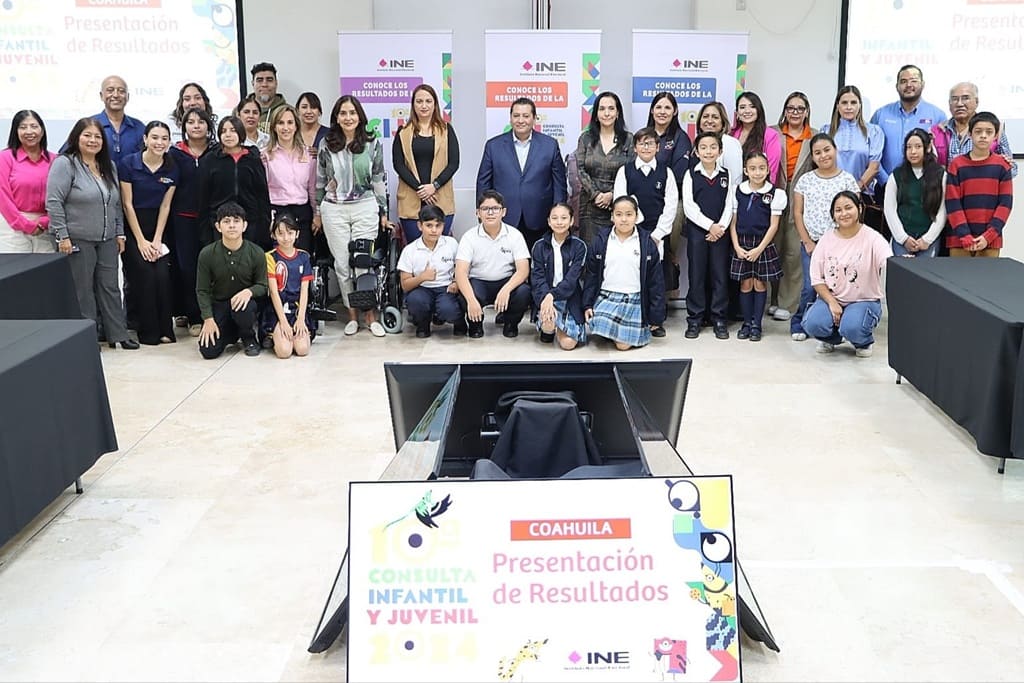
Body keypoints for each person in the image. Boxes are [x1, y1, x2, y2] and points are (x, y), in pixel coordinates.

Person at [46, 117, 137, 349]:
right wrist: (62, 236)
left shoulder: (109, 167)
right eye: (87, 135)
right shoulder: (65, 164)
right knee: (83, 289)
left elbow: (115, 204)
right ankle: (87, 336)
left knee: (110, 286)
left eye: (97, 136)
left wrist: (120, 233)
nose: (93, 140)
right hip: (77, 238)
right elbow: (54, 202)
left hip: (107, 239)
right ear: (76, 137)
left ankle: (118, 333)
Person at [316, 95, 388, 337]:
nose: (348, 118)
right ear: (336, 117)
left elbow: (378, 178)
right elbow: (320, 181)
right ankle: (353, 316)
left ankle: (370, 316)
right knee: (343, 266)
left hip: (365, 207)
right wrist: (317, 212)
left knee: (362, 263)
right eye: (343, 113)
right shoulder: (327, 143)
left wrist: (383, 211)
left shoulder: (372, 142)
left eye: (352, 113)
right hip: (333, 209)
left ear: (360, 116)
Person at [802, 190, 892, 357]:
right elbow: (816, 278)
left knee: (852, 327)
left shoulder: (873, 238)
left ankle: (862, 342)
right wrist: (831, 302)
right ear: (833, 215)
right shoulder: (826, 239)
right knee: (812, 323)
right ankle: (832, 338)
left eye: (848, 208)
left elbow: (888, 259)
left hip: (863, 300)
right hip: (832, 298)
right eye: (838, 210)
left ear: (859, 208)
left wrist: (902, 260)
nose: (844, 213)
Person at [789, 133, 860, 341]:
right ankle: (800, 322)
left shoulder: (847, 179)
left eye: (827, 150)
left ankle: (838, 326)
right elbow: (798, 213)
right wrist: (807, 241)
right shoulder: (806, 180)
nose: (823, 156)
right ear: (812, 156)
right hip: (813, 243)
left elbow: (855, 212)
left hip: (841, 245)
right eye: (817, 153)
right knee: (810, 286)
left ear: (835, 150)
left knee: (839, 286)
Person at [476, 97, 567, 250]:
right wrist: (483, 212)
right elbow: (483, 182)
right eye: (516, 115)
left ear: (534, 118)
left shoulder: (549, 145)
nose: (521, 120)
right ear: (510, 118)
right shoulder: (493, 146)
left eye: (526, 116)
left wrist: (558, 214)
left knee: (537, 266)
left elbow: (559, 183)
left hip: (540, 218)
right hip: (504, 218)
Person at [117, 121, 179, 346]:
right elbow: (127, 204)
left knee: (162, 276)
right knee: (144, 274)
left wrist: (157, 240)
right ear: (145, 139)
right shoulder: (128, 164)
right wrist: (142, 241)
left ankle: (165, 330)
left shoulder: (172, 168)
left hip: (158, 229)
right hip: (133, 229)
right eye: (154, 137)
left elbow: (165, 206)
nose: (159, 142)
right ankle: (147, 332)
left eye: (164, 138)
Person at [613, 126, 677, 335]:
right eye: (642, 143)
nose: (646, 147)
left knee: (656, 280)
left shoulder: (666, 172)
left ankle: (656, 321)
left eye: (650, 143)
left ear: (658, 147)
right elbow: (620, 202)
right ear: (635, 147)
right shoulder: (625, 171)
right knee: (633, 277)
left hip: (657, 235)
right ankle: (635, 317)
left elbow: (671, 206)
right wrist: (634, 232)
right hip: (631, 234)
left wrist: (658, 234)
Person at [583, 195, 665, 351]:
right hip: (607, 297)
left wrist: (656, 316)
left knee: (623, 346)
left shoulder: (647, 243)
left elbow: (656, 282)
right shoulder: (601, 241)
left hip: (634, 300)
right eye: (619, 214)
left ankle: (615, 332)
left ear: (636, 216)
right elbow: (591, 275)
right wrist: (587, 304)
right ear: (612, 216)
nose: (624, 219)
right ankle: (611, 329)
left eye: (629, 214)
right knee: (597, 323)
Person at [454, 190, 531, 339]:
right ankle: (475, 325)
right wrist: (471, 300)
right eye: (485, 209)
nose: (490, 213)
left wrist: (507, 289)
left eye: (495, 208)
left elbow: (523, 269)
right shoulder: (469, 237)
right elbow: (460, 272)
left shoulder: (514, 235)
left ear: (503, 212)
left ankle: (510, 324)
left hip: (505, 281)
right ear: (478, 213)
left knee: (523, 292)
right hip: (479, 282)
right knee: (465, 295)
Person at [768, 91, 817, 321]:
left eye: (800, 108)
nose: (795, 112)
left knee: (793, 253)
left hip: (801, 201)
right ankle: (770, 300)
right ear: (784, 111)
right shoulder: (772, 133)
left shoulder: (815, 136)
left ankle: (788, 304)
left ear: (806, 111)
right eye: (791, 108)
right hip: (772, 197)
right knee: (771, 248)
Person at [195, 201, 267, 358]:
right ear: (218, 226)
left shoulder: (256, 252)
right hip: (220, 305)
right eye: (226, 221)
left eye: (236, 221)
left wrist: (249, 292)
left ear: (244, 225)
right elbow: (202, 290)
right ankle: (231, 334)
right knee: (208, 351)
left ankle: (248, 337)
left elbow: (263, 284)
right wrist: (208, 319)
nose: (232, 226)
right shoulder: (207, 254)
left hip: (245, 306)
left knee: (243, 307)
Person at [168, 107, 217, 336]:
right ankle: (193, 315)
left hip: (211, 219)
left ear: (209, 126)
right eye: (191, 122)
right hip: (182, 219)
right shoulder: (174, 153)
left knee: (211, 267)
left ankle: (212, 313)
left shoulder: (216, 152)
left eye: (201, 121)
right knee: (187, 267)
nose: (196, 125)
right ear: (184, 126)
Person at [729, 151, 786, 342]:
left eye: (762, 168)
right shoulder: (738, 191)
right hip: (742, 243)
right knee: (745, 283)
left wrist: (759, 249)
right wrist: (736, 246)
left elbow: (774, 225)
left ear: (768, 169)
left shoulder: (774, 193)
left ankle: (757, 325)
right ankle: (746, 323)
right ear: (746, 170)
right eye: (753, 169)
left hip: (762, 244)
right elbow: (733, 222)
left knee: (759, 283)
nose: (757, 172)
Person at [393, 84, 460, 242]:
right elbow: (399, 165)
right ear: (413, 104)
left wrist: (434, 186)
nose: (424, 105)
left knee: (439, 250)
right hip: (411, 199)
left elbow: (454, 163)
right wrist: (421, 189)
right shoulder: (403, 132)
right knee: (415, 250)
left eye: (428, 101)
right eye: (419, 101)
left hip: (440, 198)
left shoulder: (446, 130)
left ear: (435, 104)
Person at [682, 131, 733, 340]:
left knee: (720, 275)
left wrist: (720, 227)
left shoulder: (726, 175)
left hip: (721, 233)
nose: (708, 151)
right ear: (697, 151)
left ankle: (719, 318)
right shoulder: (691, 174)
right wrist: (709, 226)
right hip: (698, 233)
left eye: (713, 147)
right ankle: (695, 318)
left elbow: (730, 204)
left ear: (720, 151)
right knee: (697, 275)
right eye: (703, 147)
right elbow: (689, 206)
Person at [944, 111, 1014, 258]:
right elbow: (953, 204)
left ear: (995, 137)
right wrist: (965, 236)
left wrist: (988, 236)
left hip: (990, 241)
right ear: (970, 134)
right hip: (959, 240)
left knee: (987, 280)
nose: (983, 135)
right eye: (978, 131)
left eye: (989, 132)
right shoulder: (957, 165)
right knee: (957, 280)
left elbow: (1005, 205)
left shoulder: (1002, 166)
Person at [198, 115, 271, 250]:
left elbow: (262, 196)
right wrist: (205, 235)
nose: (228, 135)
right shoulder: (210, 160)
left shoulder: (253, 159)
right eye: (224, 131)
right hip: (219, 224)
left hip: (250, 224)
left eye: (232, 130)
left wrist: (264, 228)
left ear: (240, 132)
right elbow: (203, 198)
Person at [646, 92, 692, 297]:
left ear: (674, 111)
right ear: (652, 110)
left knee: (668, 231)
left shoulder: (681, 138)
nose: (662, 112)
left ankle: (662, 293)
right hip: (645, 199)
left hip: (672, 199)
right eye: (658, 107)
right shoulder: (644, 135)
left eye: (667, 108)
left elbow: (679, 174)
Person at [869, 64, 947, 186]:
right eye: (903, 81)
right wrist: (887, 181)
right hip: (884, 184)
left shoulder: (938, 116)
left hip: (924, 187)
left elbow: (941, 156)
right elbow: (871, 152)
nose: (909, 85)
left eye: (914, 81)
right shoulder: (880, 115)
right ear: (897, 86)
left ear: (923, 84)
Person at [574, 91, 632, 243]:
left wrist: (612, 194)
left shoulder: (628, 139)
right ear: (596, 113)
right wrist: (596, 195)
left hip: (619, 206)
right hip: (589, 206)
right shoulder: (586, 138)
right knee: (591, 254)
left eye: (611, 109)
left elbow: (631, 172)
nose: (607, 113)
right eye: (602, 108)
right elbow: (580, 169)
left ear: (618, 113)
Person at [397, 204, 462, 338]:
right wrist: (422, 277)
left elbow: (462, 268)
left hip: (446, 288)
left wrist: (456, 282)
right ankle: (423, 324)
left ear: (443, 226)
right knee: (416, 300)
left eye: (438, 226)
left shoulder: (451, 244)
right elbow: (405, 285)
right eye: (429, 225)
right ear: (420, 226)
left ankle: (458, 322)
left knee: (448, 310)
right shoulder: (410, 250)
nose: (434, 230)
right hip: (422, 288)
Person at [530, 202, 588, 350]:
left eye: (564, 218)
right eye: (554, 218)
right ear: (549, 222)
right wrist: (545, 297)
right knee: (548, 325)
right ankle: (549, 330)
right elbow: (537, 278)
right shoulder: (539, 246)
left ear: (571, 221)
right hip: (546, 297)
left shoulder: (579, 246)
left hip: (569, 297)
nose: (559, 222)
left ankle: (560, 329)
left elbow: (571, 281)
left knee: (568, 344)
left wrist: (551, 296)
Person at [263, 104, 317, 254]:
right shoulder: (266, 156)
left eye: (290, 122)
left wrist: (317, 215)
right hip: (277, 213)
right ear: (274, 127)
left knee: (303, 262)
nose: (285, 127)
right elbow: (263, 191)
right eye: (280, 123)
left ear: (296, 126)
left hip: (303, 214)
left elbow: (312, 188)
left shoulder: (308, 154)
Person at [931, 82, 1017, 177]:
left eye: (965, 98)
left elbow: (1012, 169)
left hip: (981, 187)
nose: (959, 104)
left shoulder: (995, 129)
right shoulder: (937, 132)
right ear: (949, 103)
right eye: (955, 99)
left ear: (976, 102)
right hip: (947, 189)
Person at [884, 128, 946, 258]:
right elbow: (889, 209)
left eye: (918, 146)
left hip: (929, 238)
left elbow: (942, 211)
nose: (913, 151)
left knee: (926, 276)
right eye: (909, 147)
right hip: (902, 238)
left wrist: (927, 240)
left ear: (928, 148)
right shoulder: (896, 175)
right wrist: (903, 238)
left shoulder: (940, 175)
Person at [0, 110, 53, 253]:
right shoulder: (5, 157)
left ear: (42, 131)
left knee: (45, 273)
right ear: (15, 131)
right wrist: (25, 225)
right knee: (15, 273)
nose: (29, 131)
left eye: (34, 126)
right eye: (23, 127)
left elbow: (62, 196)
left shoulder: (55, 160)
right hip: (13, 227)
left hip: (45, 227)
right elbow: (3, 197)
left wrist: (45, 222)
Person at [263, 213, 314, 358]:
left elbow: (305, 291)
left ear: (297, 234)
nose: (286, 238)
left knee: (302, 350)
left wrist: (300, 319)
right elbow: (273, 292)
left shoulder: (304, 257)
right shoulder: (270, 257)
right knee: (284, 352)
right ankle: (273, 334)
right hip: (278, 310)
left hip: (297, 309)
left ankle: (300, 331)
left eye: (290, 233)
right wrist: (283, 322)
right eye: (281, 233)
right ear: (274, 235)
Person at [819, 86, 884, 195]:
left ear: (860, 105)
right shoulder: (825, 131)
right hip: (830, 194)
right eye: (844, 103)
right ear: (837, 106)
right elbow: (820, 164)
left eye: (853, 103)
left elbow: (874, 167)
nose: (849, 107)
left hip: (861, 194)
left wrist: (855, 191)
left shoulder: (874, 132)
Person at [730, 91, 782, 185]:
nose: (747, 111)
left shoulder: (770, 135)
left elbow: (772, 170)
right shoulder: (731, 134)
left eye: (752, 106)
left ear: (759, 110)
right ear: (737, 112)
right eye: (742, 107)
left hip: (759, 189)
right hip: (733, 188)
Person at [93, 75, 145, 166]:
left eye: (121, 91)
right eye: (110, 90)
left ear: (127, 97)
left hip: (130, 180)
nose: (116, 95)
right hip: (97, 179)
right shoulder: (89, 125)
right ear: (101, 95)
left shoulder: (139, 127)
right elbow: (66, 156)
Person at [692, 102, 743, 190]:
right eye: (705, 116)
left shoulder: (730, 143)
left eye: (715, 117)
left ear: (723, 123)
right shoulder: (697, 142)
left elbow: (735, 181)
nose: (710, 120)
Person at [250, 62, 287, 133]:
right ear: (253, 83)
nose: (264, 84)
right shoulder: (239, 112)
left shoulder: (287, 111)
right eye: (259, 80)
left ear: (276, 83)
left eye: (269, 80)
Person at [295, 92, 330, 158]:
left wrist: (322, 156)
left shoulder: (330, 134)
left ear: (319, 112)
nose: (309, 111)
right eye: (304, 107)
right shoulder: (291, 134)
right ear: (297, 111)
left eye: (313, 107)